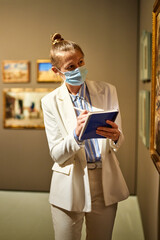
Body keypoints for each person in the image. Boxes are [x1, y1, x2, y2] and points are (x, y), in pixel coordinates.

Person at [41, 33, 129, 240]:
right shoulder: (50, 102)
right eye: (71, 67)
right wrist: (76, 136)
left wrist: (116, 136)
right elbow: (57, 154)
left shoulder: (108, 90)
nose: (79, 69)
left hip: (104, 181)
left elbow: (118, 142)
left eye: (81, 62)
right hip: (70, 184)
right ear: (57, 71)